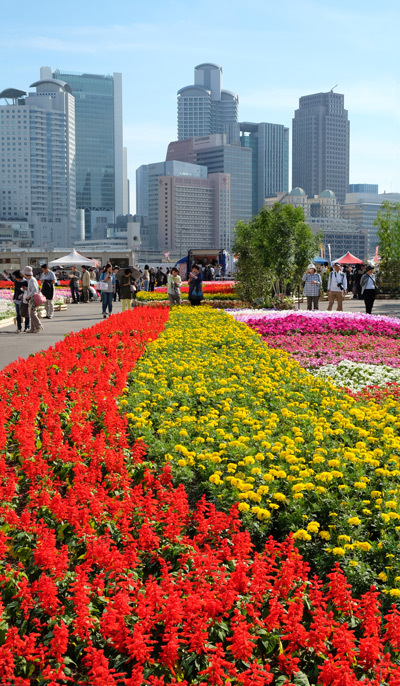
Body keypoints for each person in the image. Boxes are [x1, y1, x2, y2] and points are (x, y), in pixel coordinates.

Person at [22, 266, 43, 333]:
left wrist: (29, 295)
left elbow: (34, 289)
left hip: (33, 298)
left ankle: (39, 326)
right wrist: (26, 289)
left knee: (32, 313)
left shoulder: (32, 280)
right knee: (31, 313)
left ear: (26, 274)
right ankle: (33, 329)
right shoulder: (31, 279)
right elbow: (32, 288)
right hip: (32, 298)